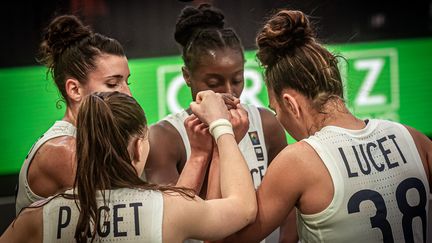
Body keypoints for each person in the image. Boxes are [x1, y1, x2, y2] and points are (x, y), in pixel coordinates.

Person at [217, 9, 432, 243]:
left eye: (275, 109)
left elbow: (223, 239)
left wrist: (221, 136)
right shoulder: (413, 138)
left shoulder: (299, 161)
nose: (277, 117)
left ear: (291, 104)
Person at [1, 91, 257, 242]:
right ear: (137, 147)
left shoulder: (36, 218)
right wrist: (222, 127)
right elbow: (243, 207)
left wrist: (199, 154)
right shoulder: (172, 209)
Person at [143, 4, 297, 242]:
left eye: (237, 79)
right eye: (214, 82)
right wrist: (220, 142)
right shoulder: (164, 138)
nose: (229, 92)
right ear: (186, 76)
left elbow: (290, 205)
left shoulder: (266, 123)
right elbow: (166, 224)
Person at [15, 14, 133, 215]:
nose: (128, 94)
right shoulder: (63, 150)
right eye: (113, 84)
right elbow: (130, 215)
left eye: (127, 82)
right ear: (74, 90)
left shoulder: (94, 138)